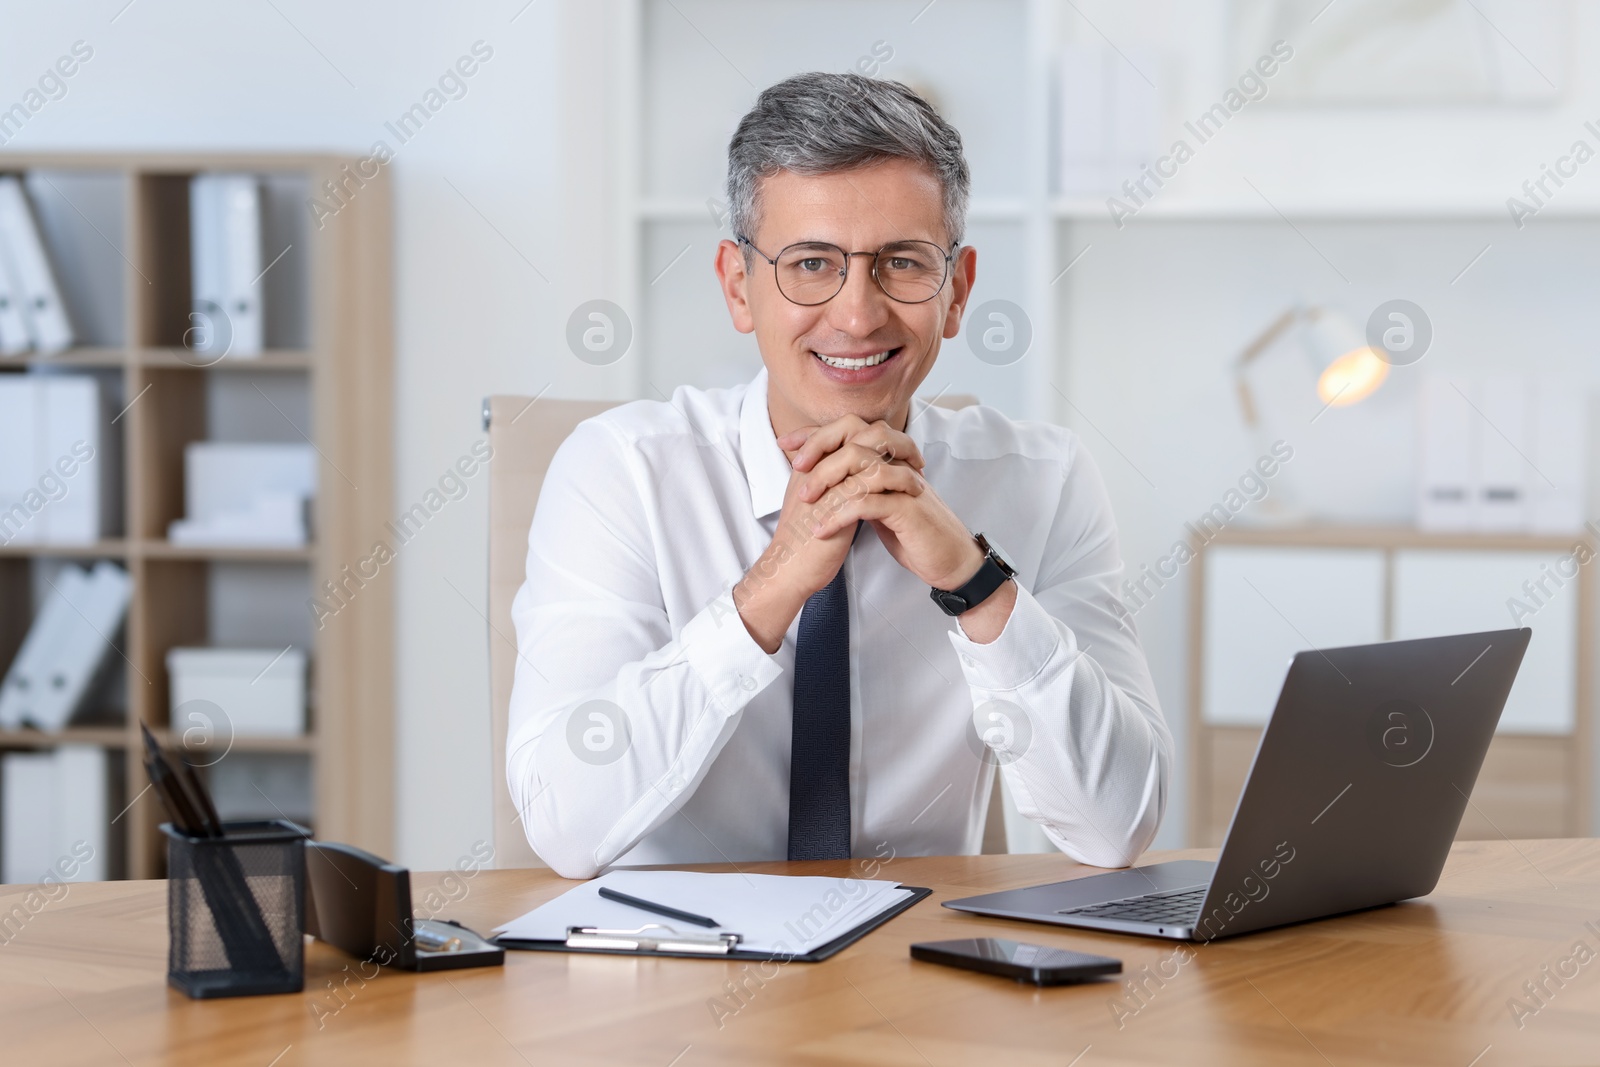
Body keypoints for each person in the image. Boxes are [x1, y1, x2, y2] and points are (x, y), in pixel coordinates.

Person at [508, 71, 1172, 879]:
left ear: (956, 293)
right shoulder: (620, 472)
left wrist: (977, 584)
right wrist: (771, 588)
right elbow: (565, 824)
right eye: (812, 264)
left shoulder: (1042, 479)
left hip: (920, 975)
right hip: (675, 972)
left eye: (902, 262)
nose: (858, 314)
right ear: (737, 285)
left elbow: (1118, 827)